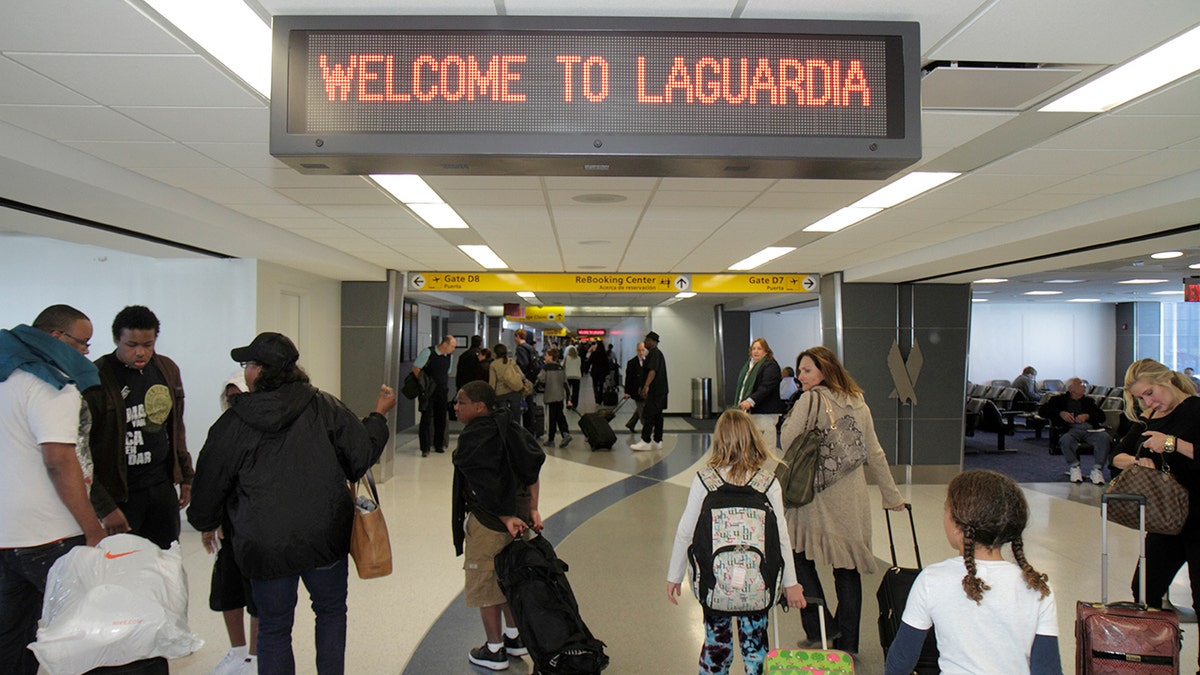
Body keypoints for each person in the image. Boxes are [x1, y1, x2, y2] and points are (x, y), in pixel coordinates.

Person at [188, 332, 396, 675]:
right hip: (324, 536)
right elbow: (359, 456)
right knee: (330, 613)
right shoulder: (324, 405)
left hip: (264, 543)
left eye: (249, 364)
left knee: (273, 626)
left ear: (261, 370)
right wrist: (377, 418)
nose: (247, 371)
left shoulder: (233, 422)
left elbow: (210, 480)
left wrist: (206, 519)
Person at [0, 305, 106, 675]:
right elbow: (59, 461)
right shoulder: (52, 384)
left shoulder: (5, 373)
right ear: (56, 338)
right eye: (82, 343)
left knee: (11, 637)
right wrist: (93, 528)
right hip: (50, 535)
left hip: (6, 534)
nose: (86, 353)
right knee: (86, 635)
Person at [780, 345, 905, 655]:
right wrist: (892, 497)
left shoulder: (810, 400)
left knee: (797, 555)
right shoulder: (859, 402)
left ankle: (821, 626)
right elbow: (874, 453)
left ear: (825, 371)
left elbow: (786, 441)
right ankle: (848, 644)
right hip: (853, 500)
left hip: (815, 499)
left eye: (807, 370)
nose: (801, 376)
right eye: (800, 370)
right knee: (847, 571)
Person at [666, 409, 806, 675]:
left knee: (716, 645)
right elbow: (782, 537)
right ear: (754, 439)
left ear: (718, 441)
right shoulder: (767, 483)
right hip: (758, 583)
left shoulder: (705, 481)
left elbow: (685, 532)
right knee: (756, 648)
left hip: (714, 582)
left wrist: (674, 575)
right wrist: (791, 583)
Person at [883, 470, 1060, 675]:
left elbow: (901, 661)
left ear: (958, 527)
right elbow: (1048, 669)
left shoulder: (931, 580)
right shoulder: (1037, 587)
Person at [1110, 357, 1199, 669]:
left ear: (1167, 380)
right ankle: (1159, 656)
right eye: (1141, 398)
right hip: (1169, 516)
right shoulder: (1149, 417)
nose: (1148, 402)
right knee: (1144, 589)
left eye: (1150, 393)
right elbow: (1116, 455)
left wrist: (1172, 444)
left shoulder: (1195, 410)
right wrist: (1136, 462)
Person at [451, 381, 545, 671]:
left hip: (491, 523)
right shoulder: (511, 427)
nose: (456, 407)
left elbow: (482, 485)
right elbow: (532, 468)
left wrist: (504, 516)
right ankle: (515, 638)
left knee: (486, 582)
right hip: (520, 520)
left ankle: (494, 649)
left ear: (479, 406)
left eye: (461, 402)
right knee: (511, 577)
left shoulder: (474, 438)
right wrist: (532, 508)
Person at [86, 305, 192, 549]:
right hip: (120, 492)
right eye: (131, 345)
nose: (141, 352)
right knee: (122, 566)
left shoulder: (167, 369)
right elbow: (85, 450)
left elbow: (176, 427)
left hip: (160, 486)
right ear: (116, 339)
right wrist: (103, 505)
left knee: (164, 561)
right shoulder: (96, 376)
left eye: (148, 344)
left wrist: (186, 475)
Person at [206, 372, 258, 675]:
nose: (233, 403)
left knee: (257, 597)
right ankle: (237, 651)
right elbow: (211, 482)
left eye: (239, 396)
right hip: (228, 531)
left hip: (253, 531)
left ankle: (254, 655)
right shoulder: (220, 433)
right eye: (229, 397)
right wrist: (210, 521)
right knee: (228, 591)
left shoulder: (263, 434)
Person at [1038, 377, 1111, 485]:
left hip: (1089, 430)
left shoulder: (1089, 401)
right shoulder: (1058, 400)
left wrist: (1087, 416)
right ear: (1071, 388)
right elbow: (1042, 411)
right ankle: (1074, 467)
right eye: (1080, 384)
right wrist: (1061, 413)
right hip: (1070, 429)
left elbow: (1101, 416)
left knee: (1104, 437)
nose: (1083, 386)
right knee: (1066, 440)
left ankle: (1097, 469)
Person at [734, 338, 784, 448]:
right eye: (754, 349)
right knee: (753, 447)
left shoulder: (770, 365)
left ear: (766, 351)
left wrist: (750, 401)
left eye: (759, 349)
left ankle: (769, 466)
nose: (756, 351)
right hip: (752, 413)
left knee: (766, 448)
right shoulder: (749, 367)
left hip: (765, 414)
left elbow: (766, 387)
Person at [413, 334, 456, 457]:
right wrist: (424, 384)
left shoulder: (449, 357)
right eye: (452, 346)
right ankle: (425, 447)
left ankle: (439, 444)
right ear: (445, 344)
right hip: (428, 391)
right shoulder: (428, 352)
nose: (453, 349)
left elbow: (447, 372)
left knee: (441, 418)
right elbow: (416, 369)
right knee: (426, 418)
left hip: (442, 391)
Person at [631, 332, 668, 452]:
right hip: (661, 391)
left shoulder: (654, 354)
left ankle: (645, 440)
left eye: (647, 340)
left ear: (653, 341)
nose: (645, 342)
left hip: (656, 391)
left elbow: (652, 371)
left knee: (649, 415)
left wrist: (646, 386)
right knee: (658, 416)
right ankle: (658, 441)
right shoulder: (656, 354)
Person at [537, 347, 571, 448]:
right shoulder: (561, 368)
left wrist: (537, 387)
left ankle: (551, 440)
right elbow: (566, 384)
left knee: (551, 418)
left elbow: (540, 380)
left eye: (546, 355)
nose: (545, 357)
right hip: (560, 396)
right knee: (559, 415)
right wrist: (568, 398)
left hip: (550, 396)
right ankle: (565, 433)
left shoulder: (546, 368)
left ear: (551, 356)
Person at [489, 344, 526, 423]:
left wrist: (491, 397)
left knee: (503, 419)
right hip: (514, 392)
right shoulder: (511, 361)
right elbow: (522, 375)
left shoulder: (493, 365)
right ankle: (516, 434)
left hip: (501, 395)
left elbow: (492, 383)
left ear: (495, 353)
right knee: (516, 418)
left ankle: (504, 434)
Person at [513, 329, 541, 436]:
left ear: (518, 336)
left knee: (526, 405)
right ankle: (532, 428)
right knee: (530, 404)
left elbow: (523, 364)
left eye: (515, 337)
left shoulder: (521, 349)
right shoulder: (530, 348)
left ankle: (528, 430)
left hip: (525, 379)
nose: (515, 339)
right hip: (532, 379)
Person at [623, 342, 648, 434]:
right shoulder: (632, 363)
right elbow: (628, 378)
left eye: (643, 350)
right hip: (637, 391)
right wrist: (627, 392)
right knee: (642, 411)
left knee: (641, 408)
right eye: (639, 350)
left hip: (647, 391)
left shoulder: (649, 361)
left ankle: (631, 423)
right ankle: (645, 428)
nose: (641, 352)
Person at [587, 341, 611, 408]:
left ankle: (596, 398)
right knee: (601, 386)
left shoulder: (594, 354)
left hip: (594, 372)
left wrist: (586, 370)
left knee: (595, 385)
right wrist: (607, 373)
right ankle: (600, 399)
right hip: (602, 373)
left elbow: (589, 362)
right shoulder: (604, 355)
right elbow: (607, 365)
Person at [564, 345, 582, 410]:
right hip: (577, 377)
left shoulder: (566, 358)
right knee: (576, 392)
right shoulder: (579, 358)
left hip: (568, 377)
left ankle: (568, 404)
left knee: (568, 392)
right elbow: (579, 366)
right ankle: (575, 405)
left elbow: (563, 365)